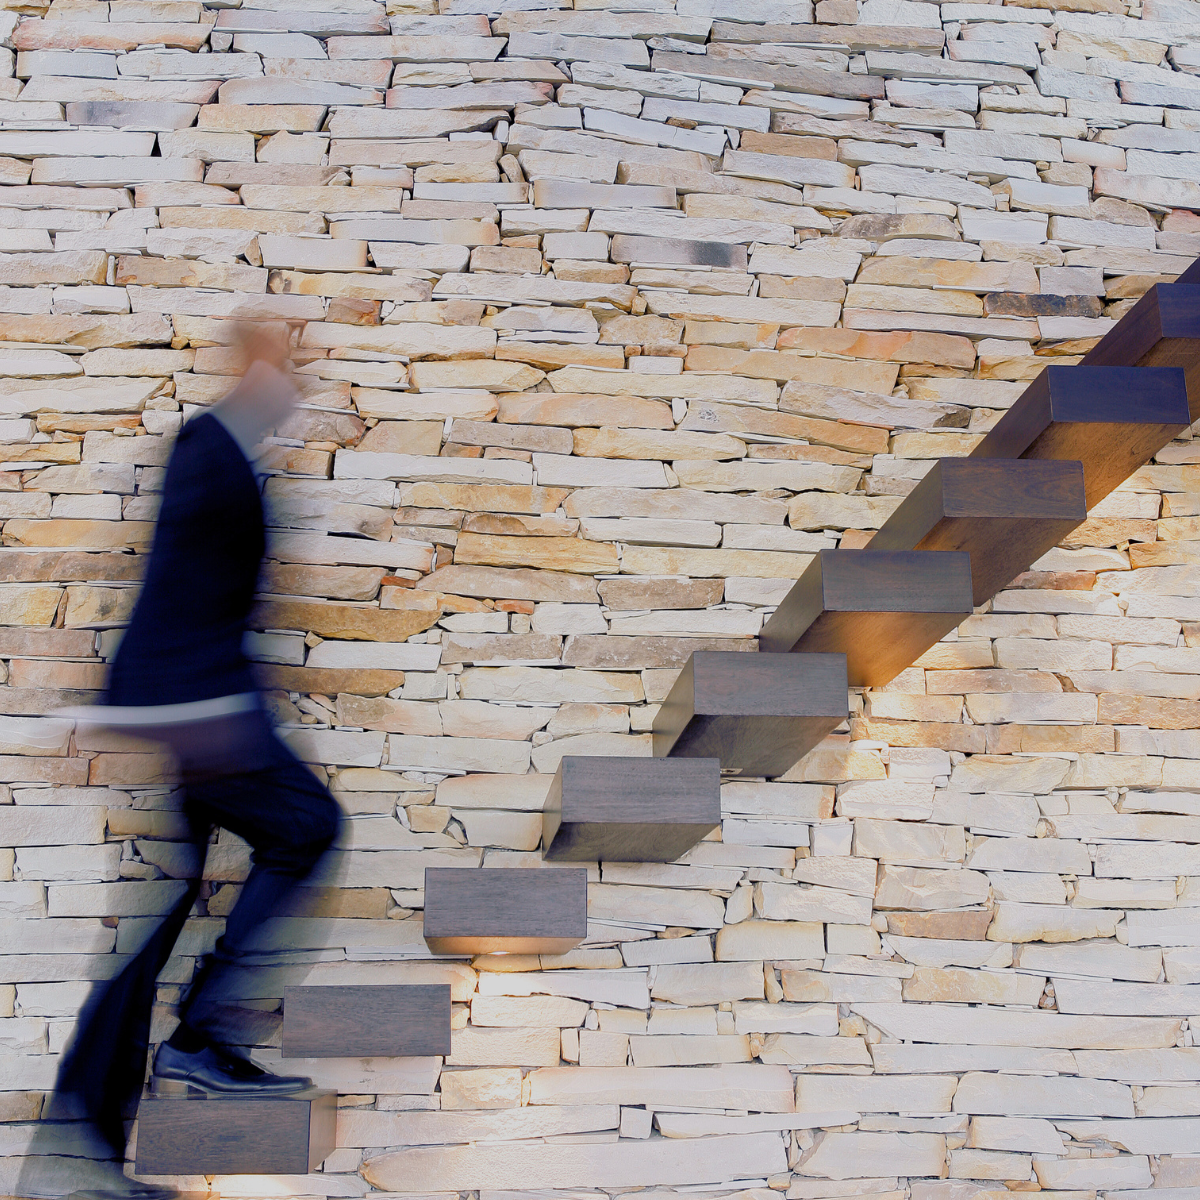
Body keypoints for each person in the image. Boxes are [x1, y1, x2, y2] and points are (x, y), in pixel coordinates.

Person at [30, 326, 342, 1200]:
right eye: (291, 370)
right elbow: (175, 586)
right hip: (201, 716)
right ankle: (200, 1043)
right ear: (258, 366)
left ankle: (77, 1160)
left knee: (156, 926)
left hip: (200, 717)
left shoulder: (230, 449)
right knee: (310, 829)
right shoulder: (211, 444)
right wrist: (162, 706)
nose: (300, 389)